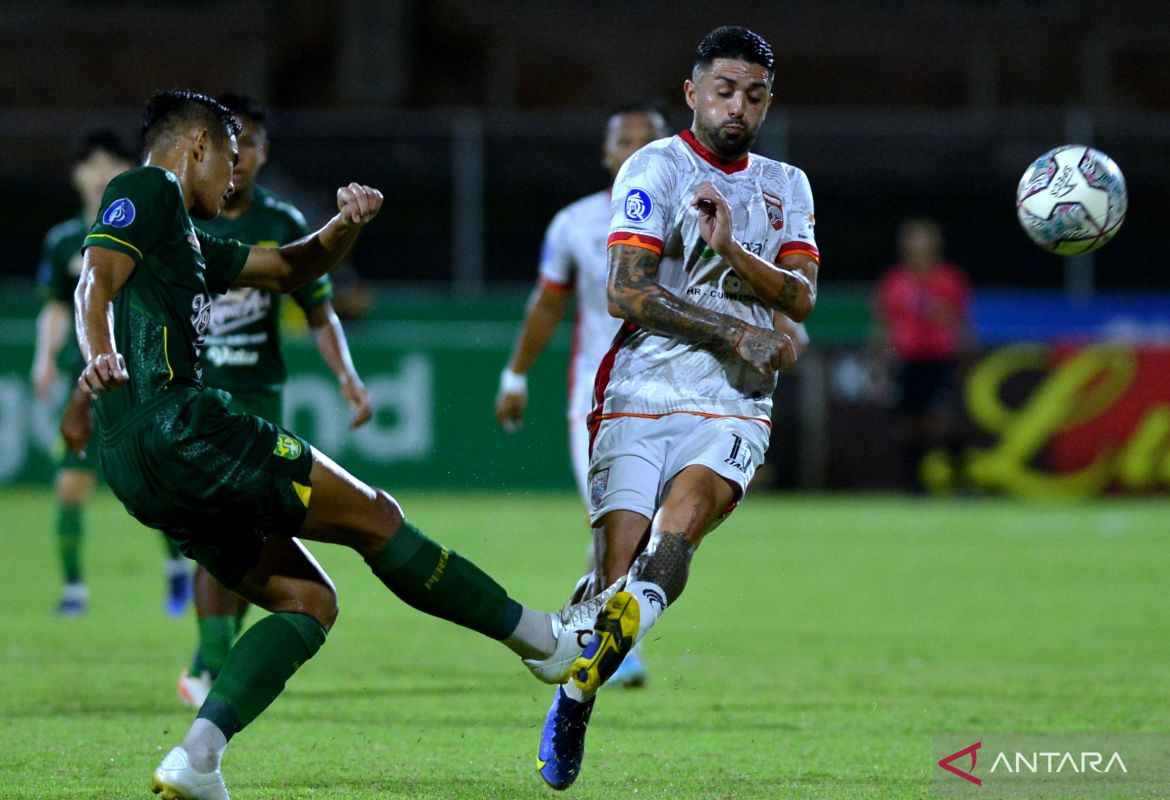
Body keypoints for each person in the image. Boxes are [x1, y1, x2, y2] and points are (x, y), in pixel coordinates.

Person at [69, 90, 617, 800]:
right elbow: (95, 279)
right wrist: (99, 353)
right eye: (230, 162)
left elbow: (289, 269)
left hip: (135, 465)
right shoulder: (148, 188)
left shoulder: (186, 241)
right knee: (376, 519)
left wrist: (345, 224)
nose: (234, 179)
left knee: (306, 599)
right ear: (196, 146)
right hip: (185, 425)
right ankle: (545, 644)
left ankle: (197, 759)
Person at [535, 26, 820, 790]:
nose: (738, 108)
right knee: (611, 575)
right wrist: (732, 326)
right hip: (639, 389)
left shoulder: (786, 184)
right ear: (693, 94)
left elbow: (801, 296)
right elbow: (625, 291)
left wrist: (732, 253)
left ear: (767, 104)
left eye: (754, 96)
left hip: (734, 397)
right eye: (724, 91)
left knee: (681, 531)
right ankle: (578, 685)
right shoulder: (653, 168)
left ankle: (598, 656)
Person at [176, 93, 374, 708]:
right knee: (218, 528)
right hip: (194, 400)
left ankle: (208, 659)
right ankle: (210, 664)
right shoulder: (178, 214)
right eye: (233, 147)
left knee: (251, 532)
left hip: (260, 401)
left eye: (253, 146)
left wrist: (347, 377)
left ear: (263, 152)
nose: (241, 160)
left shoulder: (284, 221)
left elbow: (319, 311)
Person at [494, 104, 669, 689]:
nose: (637, 149)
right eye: (627, 140)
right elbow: (548, 304)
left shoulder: (695, 217)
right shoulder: (574, 224)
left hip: (682, 395)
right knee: (621, 524)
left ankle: (581, 629)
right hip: (601, 401)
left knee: (661, 534)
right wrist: (515, 375)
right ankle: (608, 645)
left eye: (650, 140)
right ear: (607, 153)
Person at [31, 129, 192, 617]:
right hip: (87, 384)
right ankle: (75, 590)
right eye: (91, 163)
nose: (101, 173)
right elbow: (59, 307)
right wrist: (44, 357)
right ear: (77, 175)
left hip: (143, 380)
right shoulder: (62, 242)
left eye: (112, 163)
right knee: (71, 486)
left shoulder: (147, 230)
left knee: (157, 485)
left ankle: (177, 574)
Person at [874, 218, 973, 492]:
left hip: (940, 358)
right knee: (910, 425)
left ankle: (962, 482)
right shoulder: (894, 282)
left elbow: (961, 321)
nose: (919, 245)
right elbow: (884, 325)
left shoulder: (949, 279)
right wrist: (880, 363)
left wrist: (965, 359)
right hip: (908, 360)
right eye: (913, 239)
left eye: (925, 238)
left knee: (946, 422)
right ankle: (914, 488)